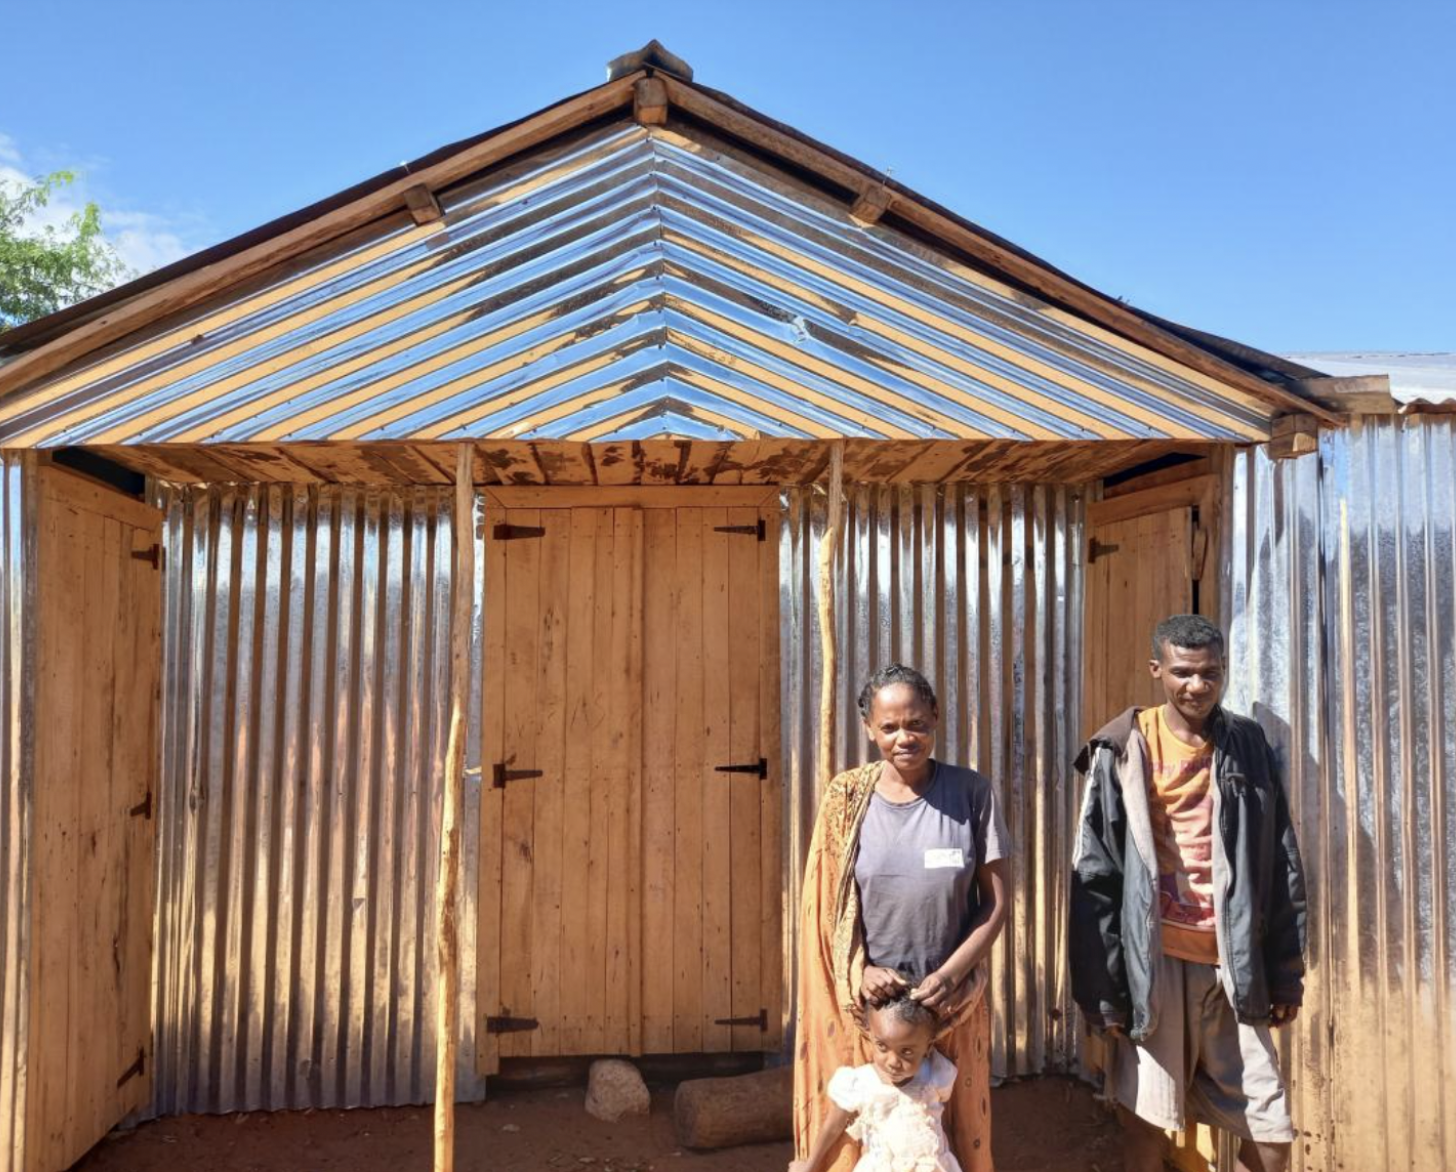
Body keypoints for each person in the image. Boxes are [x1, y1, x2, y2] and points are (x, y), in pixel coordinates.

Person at [1070, 614, 1307, 1172]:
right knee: (1147, 1126)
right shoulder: (1121, 747)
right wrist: (1103, 992)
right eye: (1182, 673)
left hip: (1235, 964)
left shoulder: (1247, 744)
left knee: (1269, 1128)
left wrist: (1286, 970)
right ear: (1157, 670)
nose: (1196, 687)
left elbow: (1280, 861)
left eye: (1210, 674)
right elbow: (1094, 876)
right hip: (1153, 968)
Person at [794, 664, 1010, 1172]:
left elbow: (997, 903)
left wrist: (951, 975)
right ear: (869, 727)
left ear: (935, 717)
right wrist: (861, 970)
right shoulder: (847, 801)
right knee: (861, 1131)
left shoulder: (971, 794)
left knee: (954, 1132)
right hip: (871, 1010)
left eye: (916, 724)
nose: (904, 738)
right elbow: (830, 904)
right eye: (889, 727)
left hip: (952, 1002)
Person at [791, 995, 962, 1172]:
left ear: (927, 1048)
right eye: (882, 1046)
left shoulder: (934, 1074)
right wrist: (808, 1166)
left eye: (907, 1051)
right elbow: (833, 1127)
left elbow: (940, 1124)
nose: (893, 1061)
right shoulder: (860, 1083)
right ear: (870, 1036)